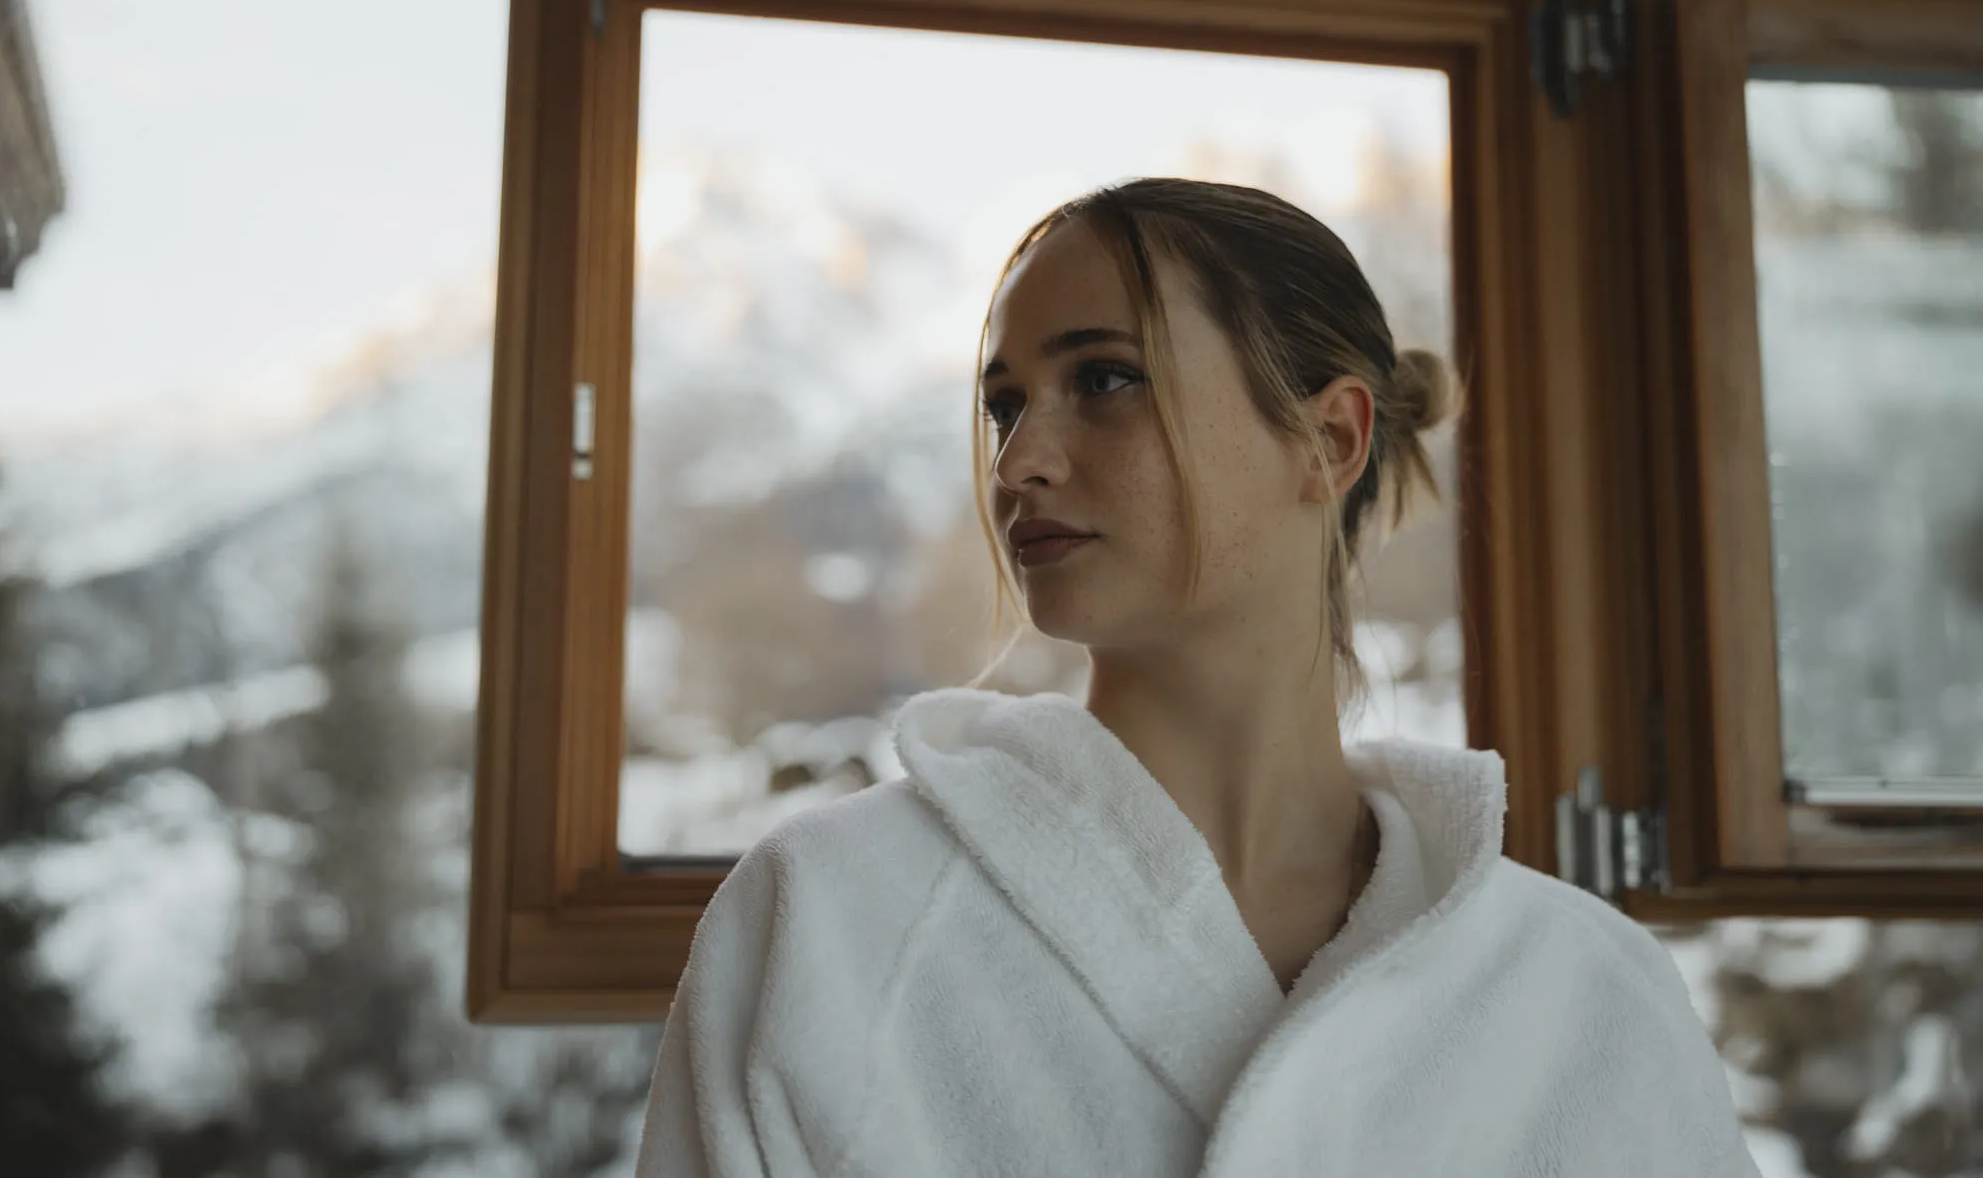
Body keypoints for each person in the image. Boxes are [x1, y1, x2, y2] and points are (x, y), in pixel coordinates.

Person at [635, 178, 1760, 1176]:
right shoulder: (820, 925)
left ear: (1328, 443)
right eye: (1003, 403)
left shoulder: (1585, 989)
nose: (1018, 459)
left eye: (1105, 378)